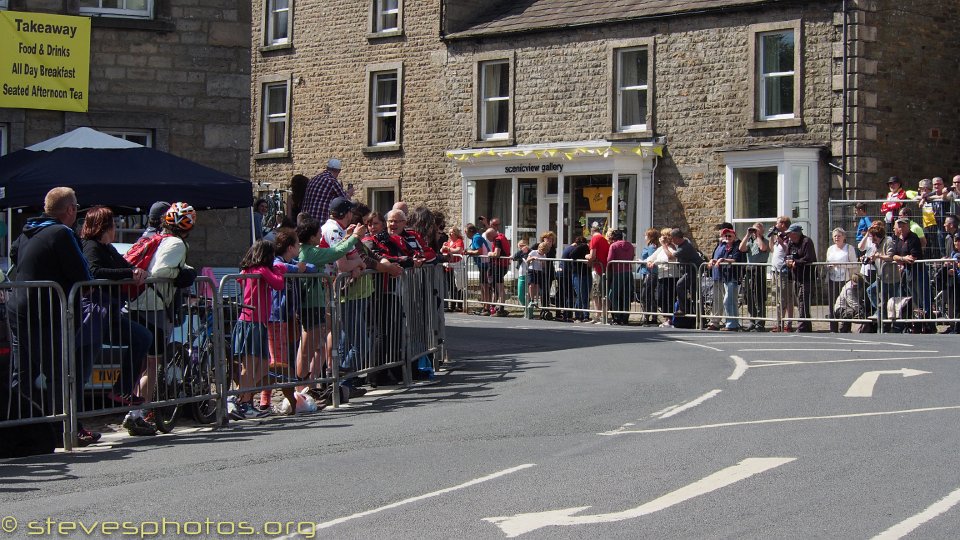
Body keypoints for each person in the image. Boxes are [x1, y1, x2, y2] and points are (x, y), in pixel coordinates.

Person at [7, 187, 100, 447]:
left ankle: (20, 430)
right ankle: (66, 429)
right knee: (59, 372)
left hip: (19, 307)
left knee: (21, 374)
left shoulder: (28, 230)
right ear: (70, 210)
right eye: (76, 207)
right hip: (44, 309)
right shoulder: (62, 233)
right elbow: (83, 275)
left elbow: (15, 255)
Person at [126, 202, 197, 434]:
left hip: (138, 303)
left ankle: (135, 411)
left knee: (143, 363)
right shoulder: (176, 243)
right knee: (152, 363)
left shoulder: (158, 239)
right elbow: (161, 272)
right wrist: (183, 274)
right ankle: (137, 413)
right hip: (153, 306)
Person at [79, 206, 153, 412]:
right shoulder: (91, 246)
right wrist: (129, 273)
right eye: (112, 225)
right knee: (82, 370)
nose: (115, 228)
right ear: (104, 227)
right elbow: (94, 271)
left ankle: (122, 389)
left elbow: (126, 266)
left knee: (143, 337)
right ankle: (72, 423)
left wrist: (136, 272)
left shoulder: (108, 248)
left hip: (109, 314)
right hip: (93, 314)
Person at [294, 216, 366, 396]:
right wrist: (355, 237)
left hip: (315, 302)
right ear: (311, 237)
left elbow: (334, 250)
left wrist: (346, 238)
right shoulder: (309, 252)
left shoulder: (310, 250)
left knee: (315, 345)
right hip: (310, 304)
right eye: (318, 233)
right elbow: (334, 253)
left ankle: (309, 385)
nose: (321, 236)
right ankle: (300, 387)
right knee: (307, 347)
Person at [231, 240, 292, 419]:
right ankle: (243, 401)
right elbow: (278, 284)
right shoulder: (262, 270)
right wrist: (279, 270)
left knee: (263, 365)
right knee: (250, 366)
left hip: (255, 322)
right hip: (252, 322)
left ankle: (244, 397)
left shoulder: (248, 270)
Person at [262, 228, 317, 414]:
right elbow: (280, 268)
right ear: (291, 246)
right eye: (297, 244)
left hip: (287, 316)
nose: (299, 247)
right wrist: (296, 268)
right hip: (276, 316)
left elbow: (311, 268)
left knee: (284, 360)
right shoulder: (278, 261)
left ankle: (286, 399)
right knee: (277, 361)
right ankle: (265, 400)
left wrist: (300, 267)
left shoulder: (289, 260)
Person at [892, 217, 932, 332]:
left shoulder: (913, 237)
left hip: (917, 270)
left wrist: (902, 259)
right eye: (899, 226)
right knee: (910, 298)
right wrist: (902, 258)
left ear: (908, 226)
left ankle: (927, 324)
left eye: (904, 226)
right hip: (906, 271)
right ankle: (913, 323)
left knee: (921, 296)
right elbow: (894, 255)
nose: (901, 228)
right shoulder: (898, 239)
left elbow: (913, 257)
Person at [708, 228, 745, 331]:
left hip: (733, 277)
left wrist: (723, 259)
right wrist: (715, 260)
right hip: (726, 277)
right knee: (729, 301)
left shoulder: (736, 247)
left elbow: (736, 259)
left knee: (728, 301)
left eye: (729, 236)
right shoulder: (725, 248)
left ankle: (732, 324)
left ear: (734, 236)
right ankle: (732, 323)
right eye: (726, 236)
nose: (727, 238)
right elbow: (720, 258)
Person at [785, 223, 816, 332]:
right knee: (799, 301)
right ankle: (807, 326)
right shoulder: (790, 243)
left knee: (803, 300)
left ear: (796, 234)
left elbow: (809, 258)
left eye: (790, 233)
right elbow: (787, 256)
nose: (788, 236)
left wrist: (796, 263)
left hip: (806, 277)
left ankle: (802, 326)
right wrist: (788, 261)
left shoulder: (807, 241)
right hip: (795, 276)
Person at [825, 228, 858, 332]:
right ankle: (833, 328)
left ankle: (845, 327)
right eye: (835, 236)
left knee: (845, 303)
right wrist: (828, 266)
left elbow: (854, 264)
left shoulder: (849, 248)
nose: (836, 238)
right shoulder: (830, 249)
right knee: (832, 304)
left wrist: (841, 265)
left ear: (844, 237)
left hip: (846, 279)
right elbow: (826, 262)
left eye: (839, 236)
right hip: (832, 278)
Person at [670, 228, 704, 328]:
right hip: (690, 271)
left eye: (672, 238)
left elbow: (673, 255)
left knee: (679, 285)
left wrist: (665, 246)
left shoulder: (685, 246)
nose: (672, 241)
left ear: (676, 238)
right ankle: (700, 319)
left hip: (693, 272)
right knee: (695, 296)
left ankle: (683, 308)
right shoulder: (682, 245)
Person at [739, 222, 769, 331]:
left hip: (759, 270)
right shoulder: (750, 241)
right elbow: (741, 248)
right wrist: (747, 235)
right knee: (750, 296)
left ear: (762, 231)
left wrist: (758, 236)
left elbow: (763, 248)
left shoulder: (765, 240)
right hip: (749, 270)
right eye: (754, 229)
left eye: (758, 229)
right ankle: (752, 321)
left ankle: (760, 323)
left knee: (759, 297)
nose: (755, 231)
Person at [647, 228, 678, 328]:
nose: (661, 238)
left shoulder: (673, 247)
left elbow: (671, 257)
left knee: (669, 298)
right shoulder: (660, 249)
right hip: (662, 276)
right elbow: (651, 258)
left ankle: (670, 319)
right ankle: (666, 318)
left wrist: (665, 245)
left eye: (664, 236)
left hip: (671, 276)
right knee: (660, 298)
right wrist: (650, 262)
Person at [768, 216, 794, 332]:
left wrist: (779, 239)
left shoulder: (788, 236)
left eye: (777, 223)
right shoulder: (778, 237)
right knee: (778, 298)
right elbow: (772, 250)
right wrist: (772, 237)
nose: (776, 224)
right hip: (775, 271)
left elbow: (787, 249)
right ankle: (779, 322)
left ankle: (786, 323)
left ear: (783, 224)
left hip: (784, 271)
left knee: (785, 298)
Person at [606, 230, 636, 325]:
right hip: (628, 272)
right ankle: (625, 317)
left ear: (614, 238)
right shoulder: (630, 245)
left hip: (617, 272)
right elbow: (632, 257)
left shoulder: (613, 246)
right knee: (626, 296)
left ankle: (617, 317)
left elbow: (609, 260)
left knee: (613, 295)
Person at [584, 223, 610, 323]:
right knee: (603, 294)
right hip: (605, 269)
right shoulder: (604, 239)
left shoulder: (594, 239)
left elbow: (592, 256)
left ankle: (597, 316)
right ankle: (603, 316)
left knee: (596, 294)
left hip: (598, 269)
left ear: (592, 232)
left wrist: (586, 256)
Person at [464, 223, 491, 315]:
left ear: (470, 231)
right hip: (482, 264)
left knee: (485, 286)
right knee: (483, 286)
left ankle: (487, 308)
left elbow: (479, 251)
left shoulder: (476, 238)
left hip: (485, 264)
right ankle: (485, 306)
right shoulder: (476, 237)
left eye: (466, 231)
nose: (465, 233)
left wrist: (469, 252)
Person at [637, 228, 660, 326]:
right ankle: (652, 317)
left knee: (645, 295)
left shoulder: (651, 247)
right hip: (647, 273)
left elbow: (652, 260)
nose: (644, 237)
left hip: (649, 273)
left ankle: (647, 317)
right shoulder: (653, 246)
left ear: (650, 236)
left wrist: (641, 261)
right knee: (650, 296)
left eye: (646, 235)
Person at [488, 227, 511, 316]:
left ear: (491, 235)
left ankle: (501, 309)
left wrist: (490, 253)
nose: (489, 240)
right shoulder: (501, 237)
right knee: (496, 288)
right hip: (502, 265)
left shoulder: (497, 240)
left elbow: (496, 254)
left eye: (488, 237)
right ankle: (493, 307)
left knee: (500, 288)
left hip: (500, 266)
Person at [441, 226, 465, 310]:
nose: (450, 234)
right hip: (449, 266)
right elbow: (442, 251)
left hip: (457, 265)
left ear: (456, 233)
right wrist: (443, 247)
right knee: (451, 286)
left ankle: (459, 305)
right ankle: (452, 304)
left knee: (458, 285)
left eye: (452, 232)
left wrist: (447, 248)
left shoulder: (459, 241)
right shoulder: (448, 242)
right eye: (449, 232)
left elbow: (458, 250)